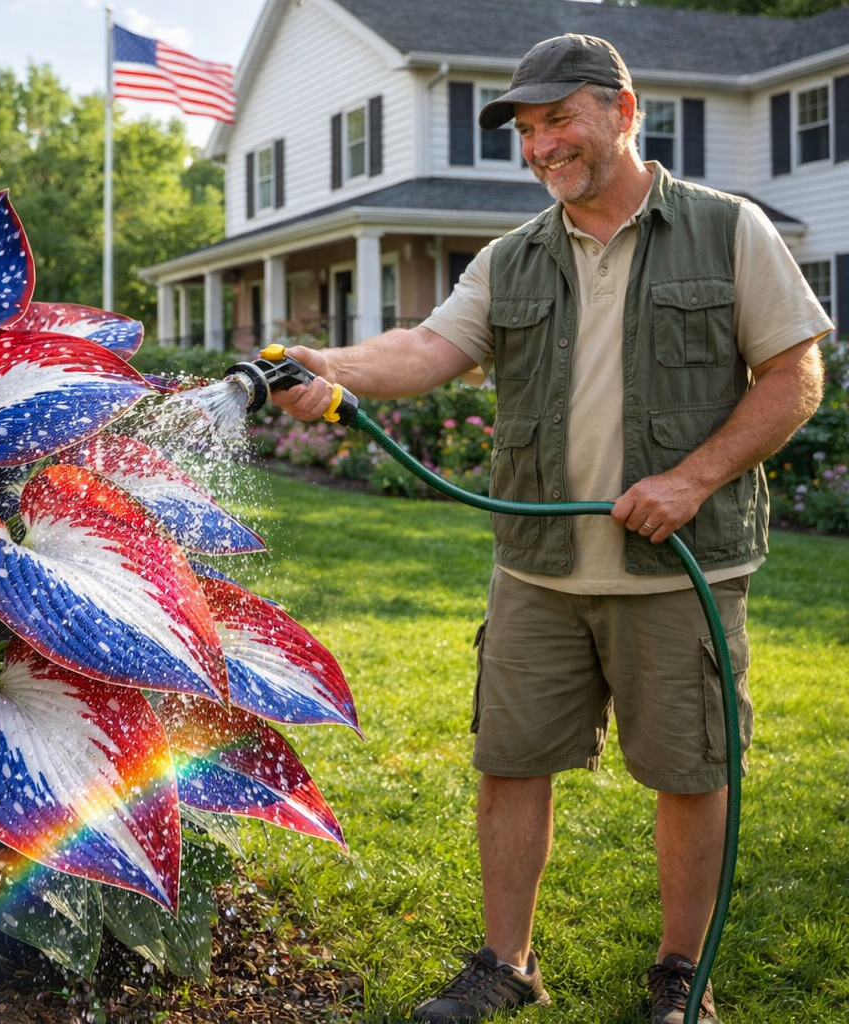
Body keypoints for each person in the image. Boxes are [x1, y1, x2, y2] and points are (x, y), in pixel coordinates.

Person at [272, 32, 831, 1024]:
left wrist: (694, 479)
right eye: (526, 129)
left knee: (691, 774)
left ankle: (678, 977)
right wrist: (332, 367)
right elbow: (426, 346)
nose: (540, 146)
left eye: (557, 120)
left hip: (678, 570)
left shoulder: (728, 229)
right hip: (538, 570)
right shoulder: (512, 256)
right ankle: (505, 961)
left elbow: (797, 376)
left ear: (622, 109)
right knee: (509, 762)